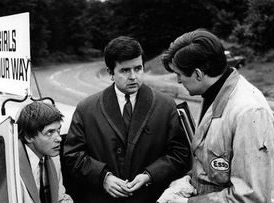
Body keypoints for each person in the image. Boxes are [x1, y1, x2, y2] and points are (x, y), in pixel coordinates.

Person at [62, 36, 191, 203]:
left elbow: (180, 154)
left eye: (138, 68)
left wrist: (149, 175)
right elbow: (72, 155)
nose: (133, 76)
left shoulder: (165, 105)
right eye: (125, 71)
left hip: (151, 198)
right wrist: (103, 177)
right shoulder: (86, 109)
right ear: (110, 73)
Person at [157, 29, 274, 203]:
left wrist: (188, 202)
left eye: (179, 74)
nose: (178, 81)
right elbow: (214, 167)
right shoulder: (212, 93)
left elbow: (252, 198)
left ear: (198, 74)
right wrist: (188, 180)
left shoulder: (248, 112)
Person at [16, 101, 73, 203]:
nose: (59, 138)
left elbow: (60, 197)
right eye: (49, 132)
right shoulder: (13, 166)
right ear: (28, 137)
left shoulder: (53, 155)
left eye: (58, 130)